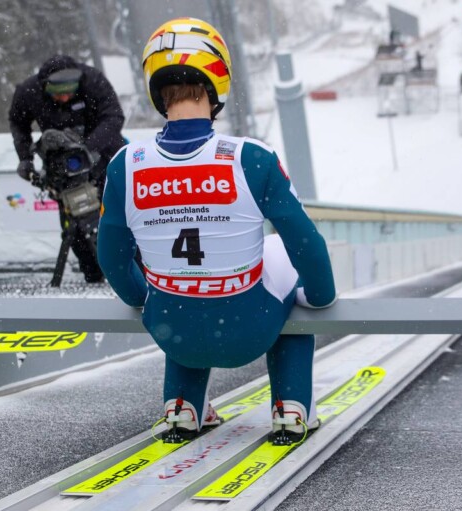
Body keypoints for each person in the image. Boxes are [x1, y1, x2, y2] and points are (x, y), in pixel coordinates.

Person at [97, 18, 337, 444]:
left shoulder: (125, 164)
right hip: (250, 329)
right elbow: (306, 243)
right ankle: (291, 407)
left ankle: (183, 407)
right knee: (281, 253)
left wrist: (142, 297)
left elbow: (111, 255)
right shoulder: (252, 157)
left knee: (182, 284)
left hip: (173, 332)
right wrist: (320, 297)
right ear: (218, 79)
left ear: (155, 84)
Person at [8, 55, 125, 283]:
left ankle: (124, 272)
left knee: (113, 219)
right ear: (45, 88)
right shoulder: (28, 91)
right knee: (74, 227)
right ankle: (92, 274)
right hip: (62, 166)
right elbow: (17, 122)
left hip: (102, 156)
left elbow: (113, 117)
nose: (64, 97)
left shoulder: (93, 81)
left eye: (69, 92)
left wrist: (90, 148)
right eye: (58, 93)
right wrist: (25, 158)